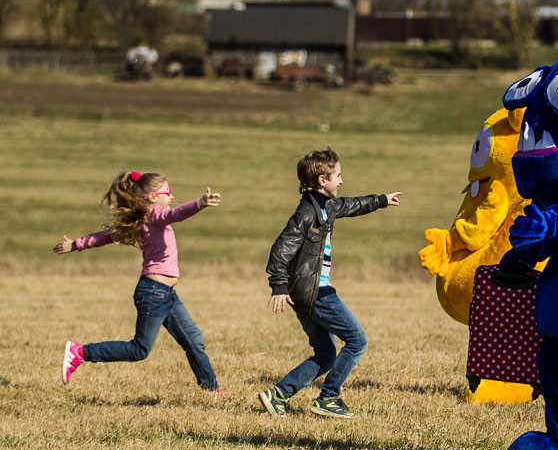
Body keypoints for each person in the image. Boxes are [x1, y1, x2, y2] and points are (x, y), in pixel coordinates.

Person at [54, 171, 229, 397]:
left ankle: (212, 389)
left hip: (165, 293)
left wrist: (77, 244)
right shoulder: (156, 214)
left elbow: (106, 236)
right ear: (152, 198)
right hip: (154, 293)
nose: (171, 196)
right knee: (139, 349)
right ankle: (80, 352)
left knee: (193, 339)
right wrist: (200, 203)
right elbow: (176, 214)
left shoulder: (142, 219)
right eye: (167, 192)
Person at [259, 148, 402, 419]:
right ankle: (328, 397)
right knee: (357, 340)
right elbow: (281, 249)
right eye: (338, 175)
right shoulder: (306, 213)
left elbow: (352, 204)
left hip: (306, 292)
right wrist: (278, 285)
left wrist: (381, 200)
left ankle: (277, 395)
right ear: (322, 180)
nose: (342, 180)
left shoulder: (327, 206)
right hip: (315, 292)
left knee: (326, 353)